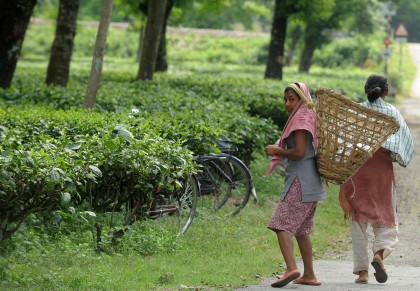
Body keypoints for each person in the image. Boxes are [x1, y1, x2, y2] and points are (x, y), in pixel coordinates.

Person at [339, 74, 414, 284]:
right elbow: (403, 149)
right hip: (381, 172)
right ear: (386, 92)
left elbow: (342, 142)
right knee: (386, 219)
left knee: (358, 221)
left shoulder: (356, 111)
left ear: (366, 90)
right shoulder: (392, 113)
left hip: (357, 171)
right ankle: (379, 255)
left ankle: (362, 272)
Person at [264, 82, 326, 288]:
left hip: (301, 180)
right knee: (302, 230)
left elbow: (299, 153)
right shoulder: (309, 116)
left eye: (292, 99)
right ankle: (309, 275)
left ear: (302, 99)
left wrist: (276, 150)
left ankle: (291, 268)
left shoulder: (300, 119)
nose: (287, 104)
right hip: (311, 183)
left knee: (280, 224)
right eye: (286, 100)